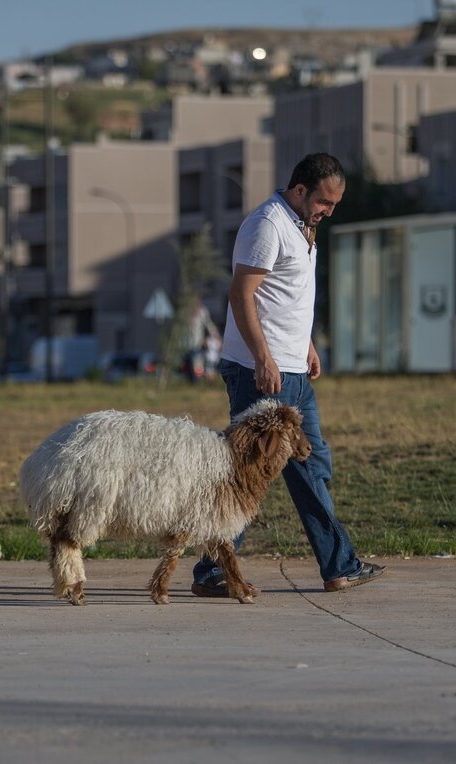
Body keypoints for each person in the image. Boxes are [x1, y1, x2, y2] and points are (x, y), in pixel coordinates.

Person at [191, 153, 385, 596]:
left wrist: (307, 345)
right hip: (261, 374)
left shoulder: (303, 226)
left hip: (293, 370)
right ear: (300, 190)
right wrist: (263, 357)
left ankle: (339, 566)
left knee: (310, 464)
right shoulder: (268, 224)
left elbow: (288, 297)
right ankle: (212, 571)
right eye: (324, 202)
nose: (329, 212)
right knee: (247, 473)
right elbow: (242, 295)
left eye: (334, 205)